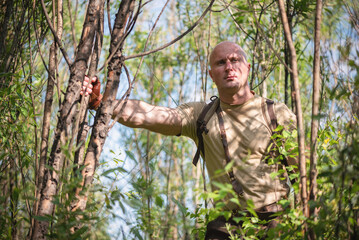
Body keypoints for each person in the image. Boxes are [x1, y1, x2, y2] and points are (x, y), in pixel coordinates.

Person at [81, 41, 297, 239]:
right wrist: (101, 102)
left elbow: (303, 172)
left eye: (235, 60)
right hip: (227, 229)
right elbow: (147, 114)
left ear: (248, 67)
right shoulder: (200, 116)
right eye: (221, 63)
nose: (229, 67)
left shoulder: (275, 113)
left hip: (274, 223)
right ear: (211, 75)